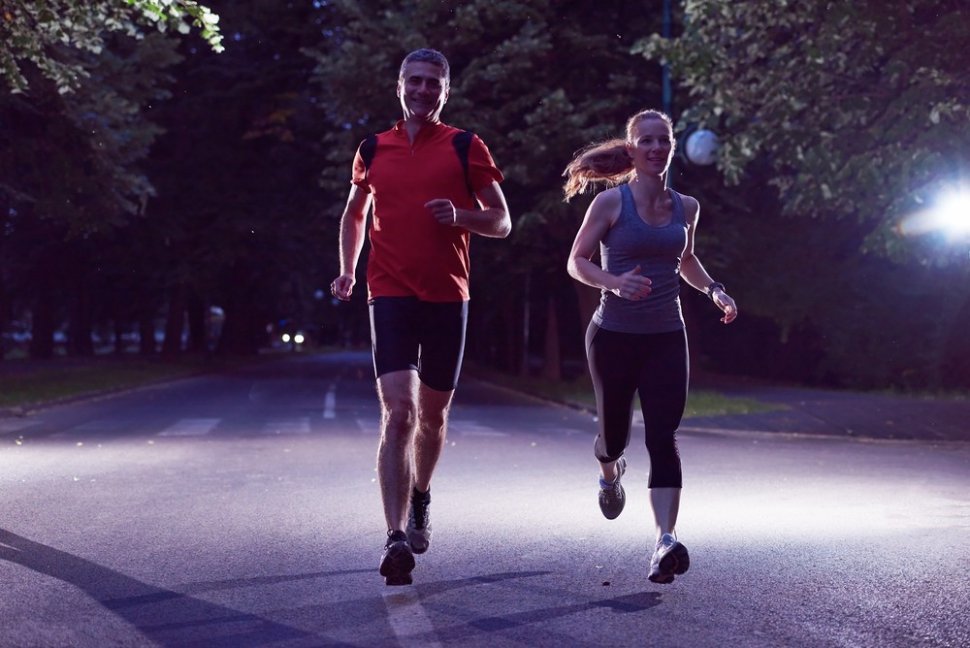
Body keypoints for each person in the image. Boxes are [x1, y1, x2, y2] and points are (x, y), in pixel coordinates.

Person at [330, 48, 511, 586]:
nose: (423, 90)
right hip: (388, 293)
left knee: (432, 419)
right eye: (415, 80)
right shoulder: (372, 149)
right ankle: (393, 538)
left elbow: (501, 221)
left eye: (434, 83)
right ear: (399, 86)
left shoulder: (464, 147)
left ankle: (421, 496)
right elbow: (354, 214)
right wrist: (348, 270)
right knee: (400, 414)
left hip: (448, 296)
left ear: (445, 91)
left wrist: (460, 216)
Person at [563, 109, 737, 584]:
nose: (656, 148)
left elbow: (686, 258)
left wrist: (714, 290)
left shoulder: (687, 207)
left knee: (663, 437)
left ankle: (665, 540)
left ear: (672, 147)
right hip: (613, 336)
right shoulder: (610, 204)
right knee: (614, 437)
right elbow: (577, 262)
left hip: (666, 336)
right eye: (647, 140)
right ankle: (609, 472)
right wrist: (613, 281)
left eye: (664, 140)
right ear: (632, 148)